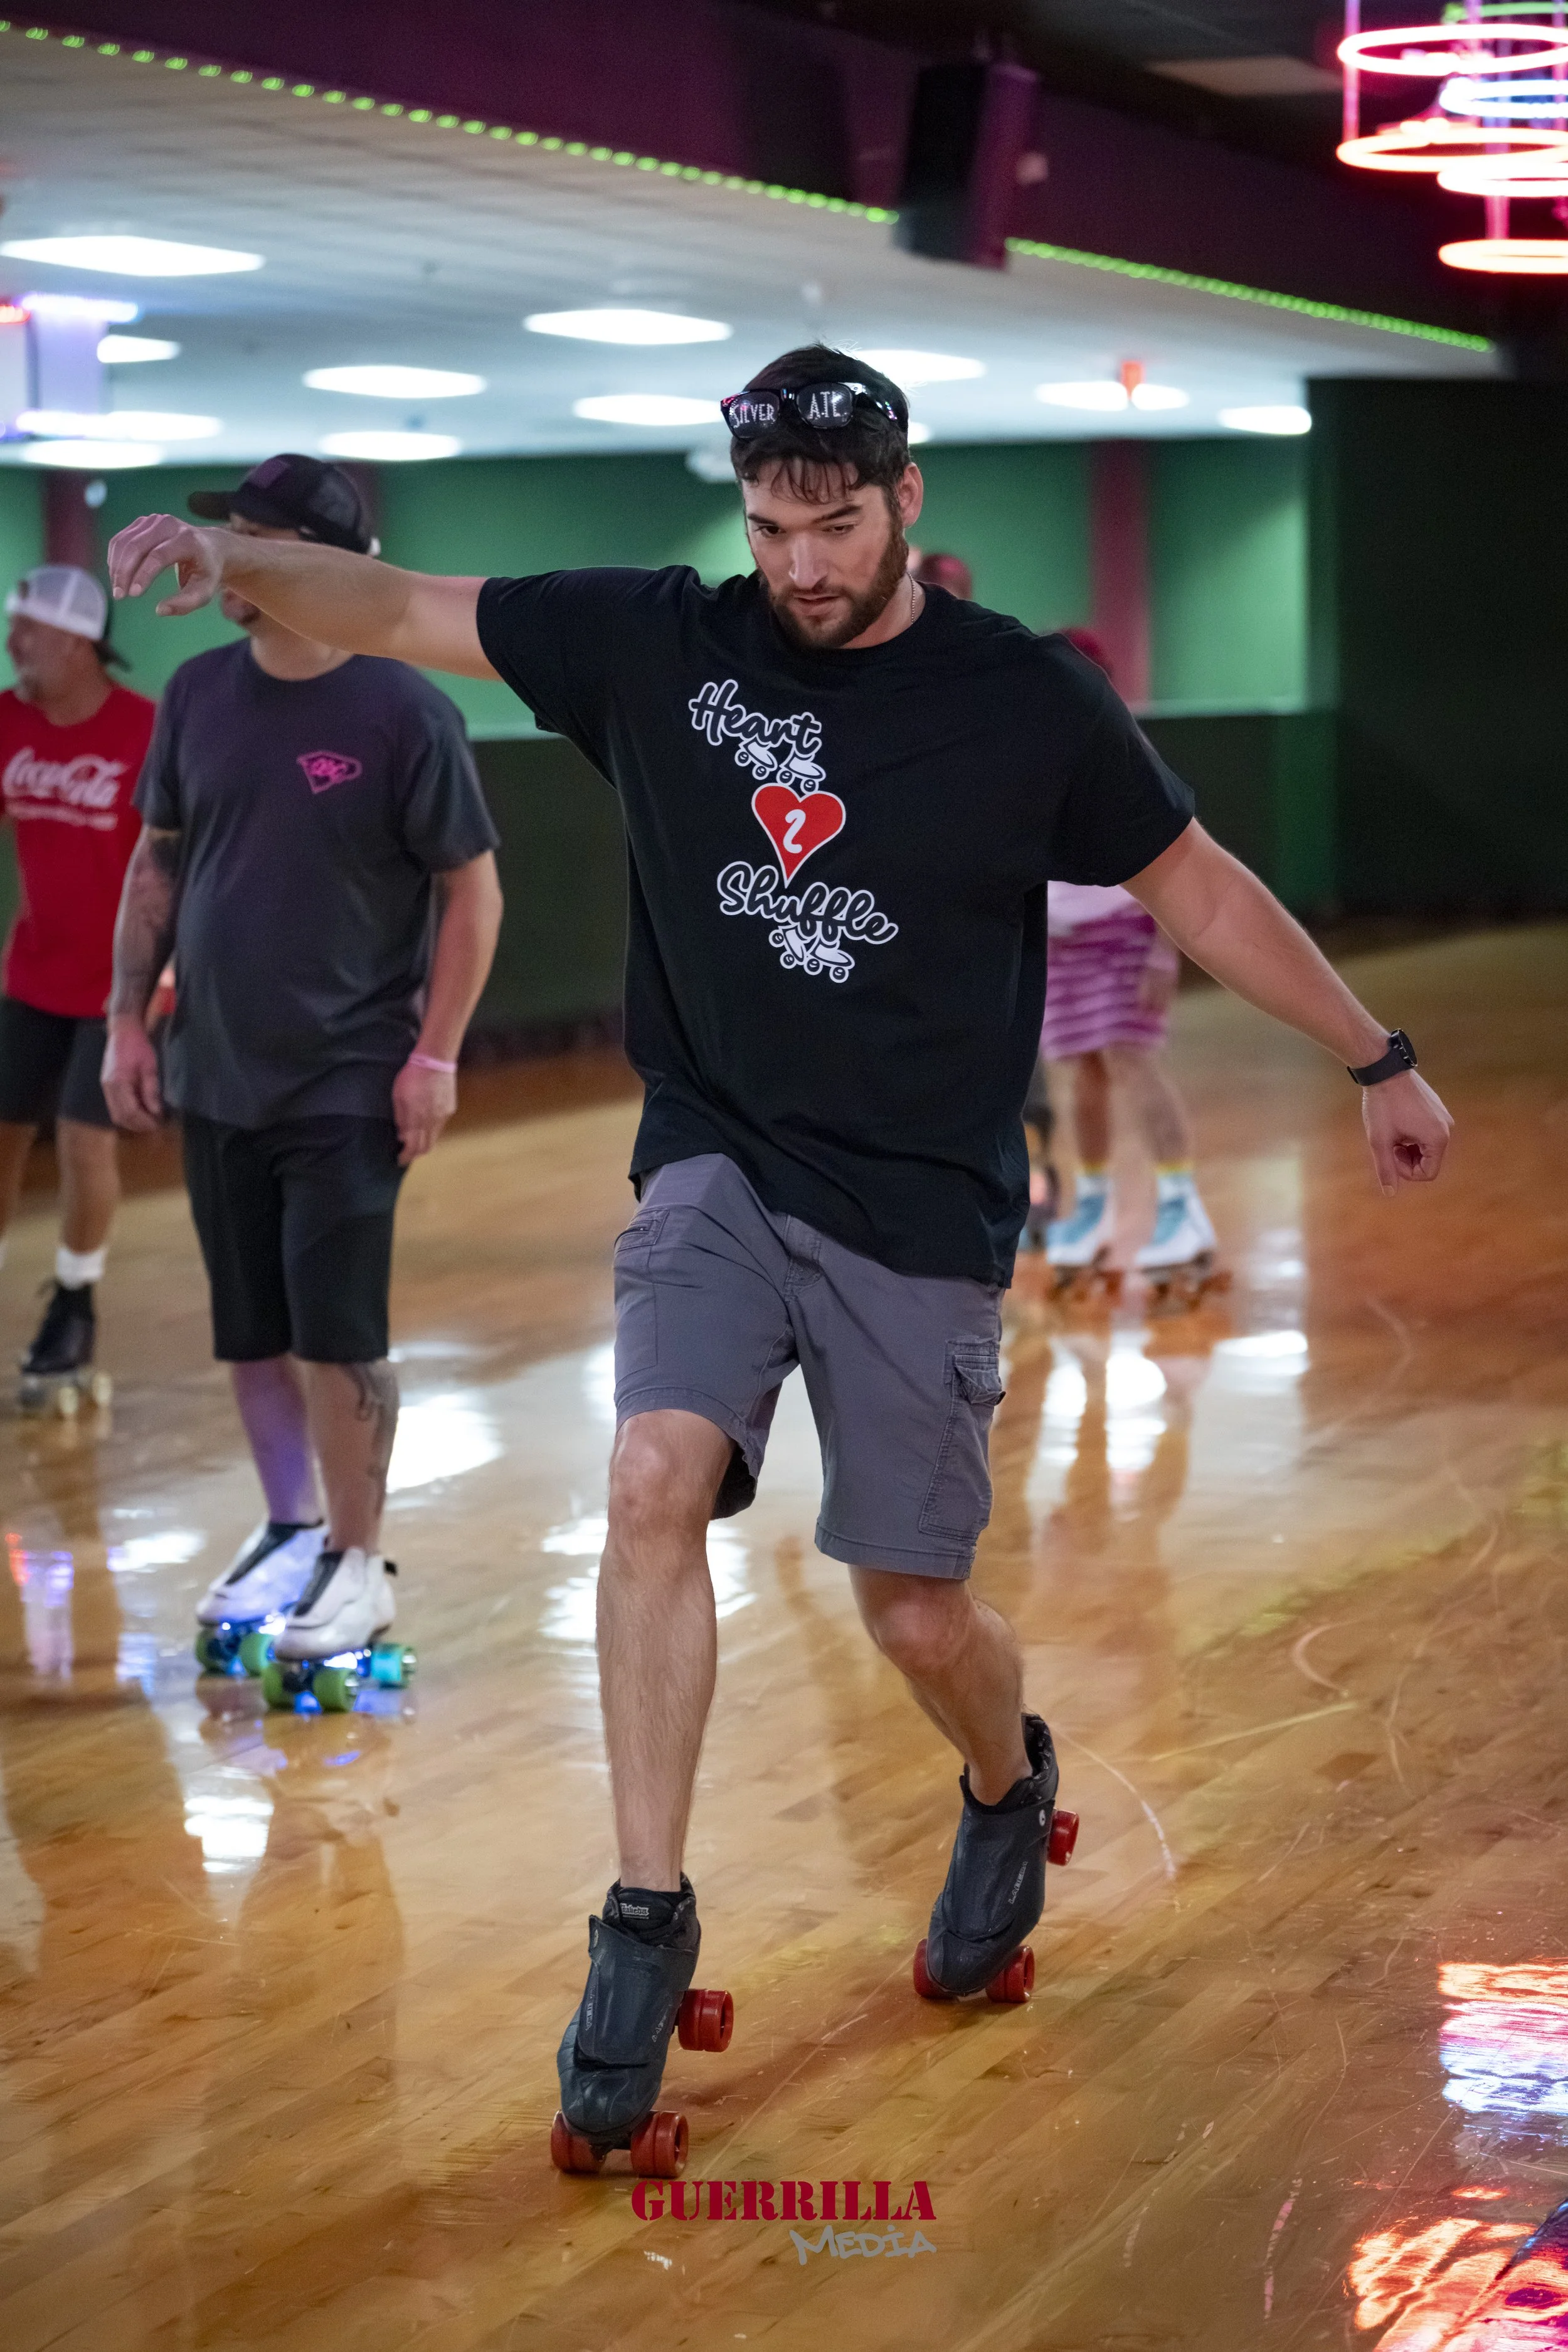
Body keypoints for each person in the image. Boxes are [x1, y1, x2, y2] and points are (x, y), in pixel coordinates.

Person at [105, 351, 1453, 2168]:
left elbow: (1194, 885)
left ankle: (1002, 1776)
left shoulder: (1023, 702)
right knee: (652, 1472)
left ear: (905, 503)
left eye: (833, 525)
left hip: (916, 1202)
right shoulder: (659, 640)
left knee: (909, 1604)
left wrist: (1373, 1053)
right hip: (716, 1157)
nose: (800, 564)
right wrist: (229, 552)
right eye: (770, 528)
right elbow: (403, 602)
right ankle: (642, 1922)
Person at [100, 454, 503, 1673]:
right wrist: (127, 1018)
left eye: (260, 541)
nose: (233, 562)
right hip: (215, 1066)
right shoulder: (197, 694)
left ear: (317, 564)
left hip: (347, 1076)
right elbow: (158, 864)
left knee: (338, 1336)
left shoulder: (404, 710)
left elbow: (472, 895)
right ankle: (289, 1528)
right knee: (252, 1331)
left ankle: (358, 1559)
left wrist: (434, 1053)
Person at [0, 565, 156, 1406]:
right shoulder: (8, 719)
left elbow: (182, 864)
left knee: (82, 1140)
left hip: (121, 986)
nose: (13, 641)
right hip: (32, 971)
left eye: (26, 627)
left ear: (75, 640)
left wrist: (165, 978)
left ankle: (73, 1299)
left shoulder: (145, 731)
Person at [1044, 626, 1217, 1299]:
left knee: (1128, 1061)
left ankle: (1179, 1204)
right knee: (1079, 1077)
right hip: (1057, 940)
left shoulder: (1125, 752)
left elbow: (1175, 853)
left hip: (1123, 929)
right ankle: (1092, 1203)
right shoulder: (1026, 751)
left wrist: (1164, 952)